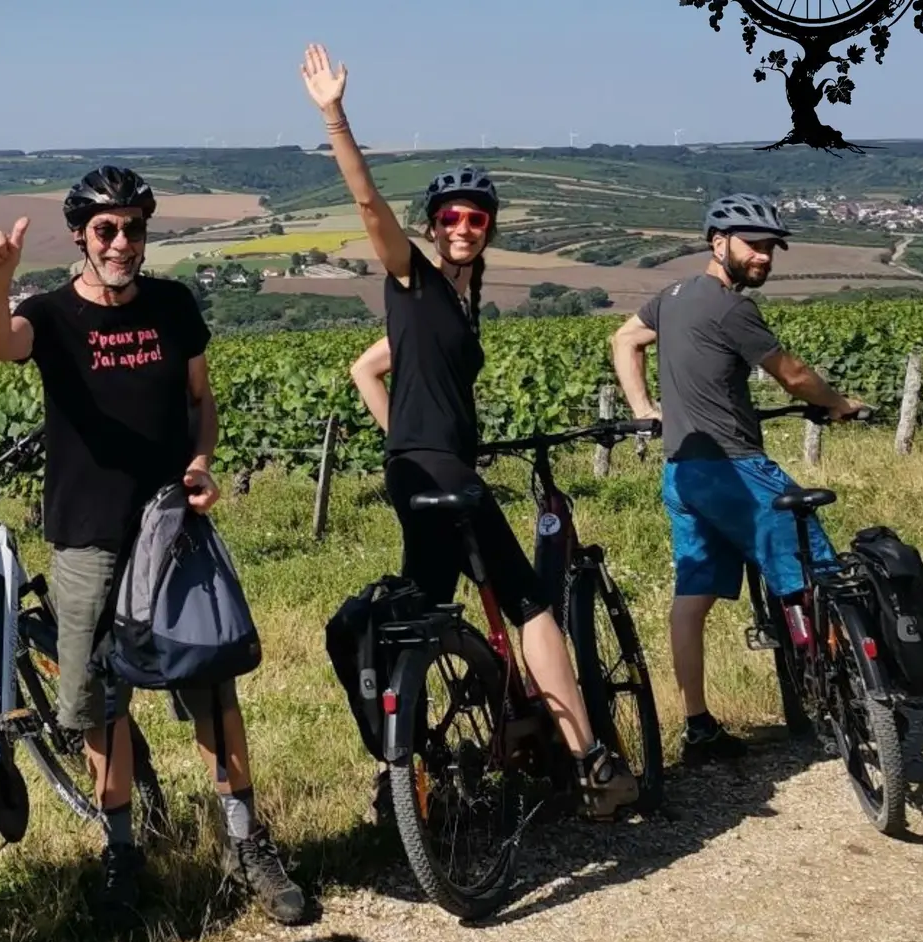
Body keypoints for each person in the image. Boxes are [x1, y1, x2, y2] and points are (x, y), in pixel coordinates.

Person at [300, 42, 640, 821]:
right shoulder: (413, 280)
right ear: (432, 227)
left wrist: (404, 443)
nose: (462, 227)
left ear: (488, 230)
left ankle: (413, 777)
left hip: (420, 470)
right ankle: (590, 763)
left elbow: (366, 367)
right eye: (449, 218)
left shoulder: (448, 309)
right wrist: (335, 117)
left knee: (426, 602)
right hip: (438, 472)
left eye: (474, 219)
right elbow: (368, 210)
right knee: (529, 606)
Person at [0, 165, 308, 927]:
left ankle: (245, 843)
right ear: (82, 239)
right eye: (107, 230)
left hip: (170, 530)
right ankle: (120, 850)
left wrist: (200, 463)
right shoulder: (51, 315)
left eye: (134, 228)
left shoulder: (174, 306)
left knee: (211, 681)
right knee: (100, 702)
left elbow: (200, 402)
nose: (123, 242)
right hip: (87, 536)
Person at [609, 193, 867, 761]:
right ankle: (853, 695)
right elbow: (795, 377)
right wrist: (840, 403)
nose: (765, 258)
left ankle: (699, 726)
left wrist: (645, 409)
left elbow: (624, 339)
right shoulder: (731, 308)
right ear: (717, 243)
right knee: (813, 570)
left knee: (693, 598)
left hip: (683, 472)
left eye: (771, 248)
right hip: (735, 468)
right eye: (754, 245)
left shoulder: (671, 297)